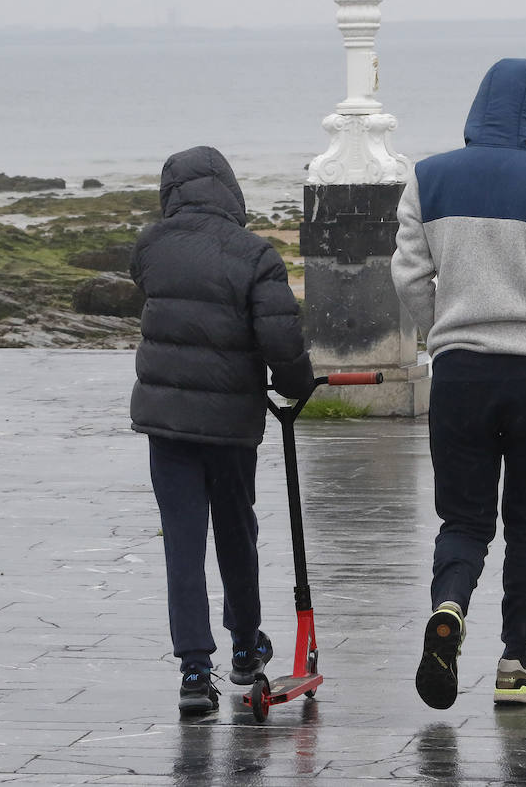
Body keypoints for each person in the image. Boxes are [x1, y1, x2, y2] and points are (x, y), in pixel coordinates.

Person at [392, 58, 526, 710]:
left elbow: (406, 276)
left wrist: (442, 333)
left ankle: (449, 608)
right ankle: (516, 662)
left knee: (463, 517)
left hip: (459, 374)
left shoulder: (427, 178)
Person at [129, 145, 315, 716]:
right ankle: (244, 647)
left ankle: (192, 669)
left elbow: (155, 297)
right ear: (230, 191)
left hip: (166, 423)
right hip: (232, 424)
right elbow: (280, 338)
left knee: (182, 543)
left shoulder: (151, 247)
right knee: (237, 531)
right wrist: (297, 384)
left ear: (171, 191)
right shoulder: (254, 253)